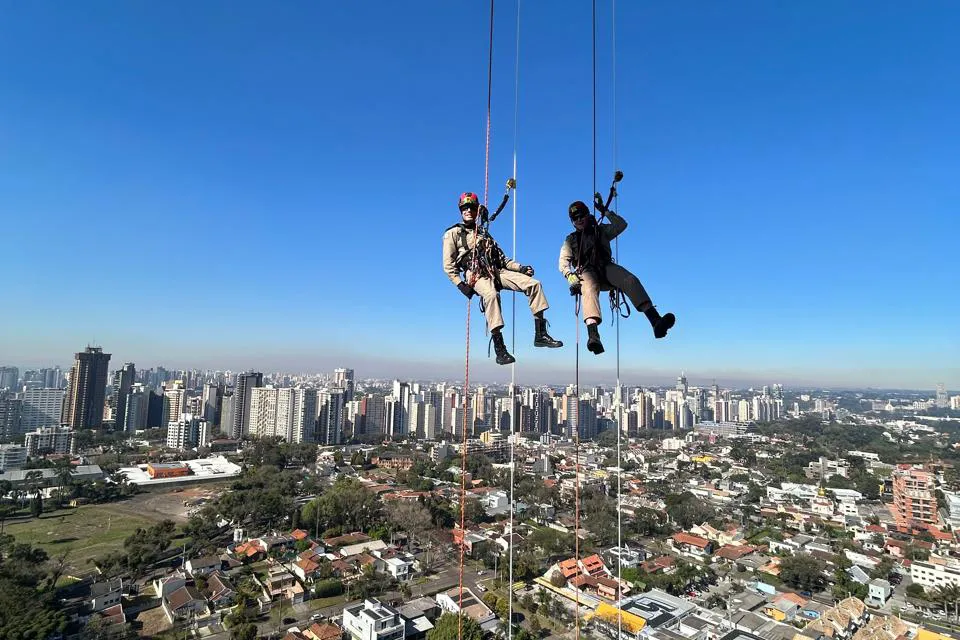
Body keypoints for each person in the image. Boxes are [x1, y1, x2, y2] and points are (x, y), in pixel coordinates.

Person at [443, 192, 562, 365]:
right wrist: (460, 284)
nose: (468, 210)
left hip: (495, 270)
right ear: (461, 210)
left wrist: (520, 268)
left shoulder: (485, 234)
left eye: (472, 208)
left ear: (477, 211)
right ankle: (500, 349)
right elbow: (448, 265)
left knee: (534, 284)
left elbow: (503, 260)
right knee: (491, 295)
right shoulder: (453, 234)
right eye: (465, 208)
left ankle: (540, 334)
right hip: (475, 273)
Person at [558, 196, 675, 354]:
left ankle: (655, 321)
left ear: (587, 215)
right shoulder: (570, 240)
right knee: (589, 289)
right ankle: (593, 336)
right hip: (587, 271)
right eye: (575, 218)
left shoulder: (601, 231)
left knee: (630, 280)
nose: (578, 220)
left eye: (581, 216)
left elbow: (621, 225)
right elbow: (563, 262)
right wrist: (569, 275)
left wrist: (605, 211)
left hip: (606, 268)